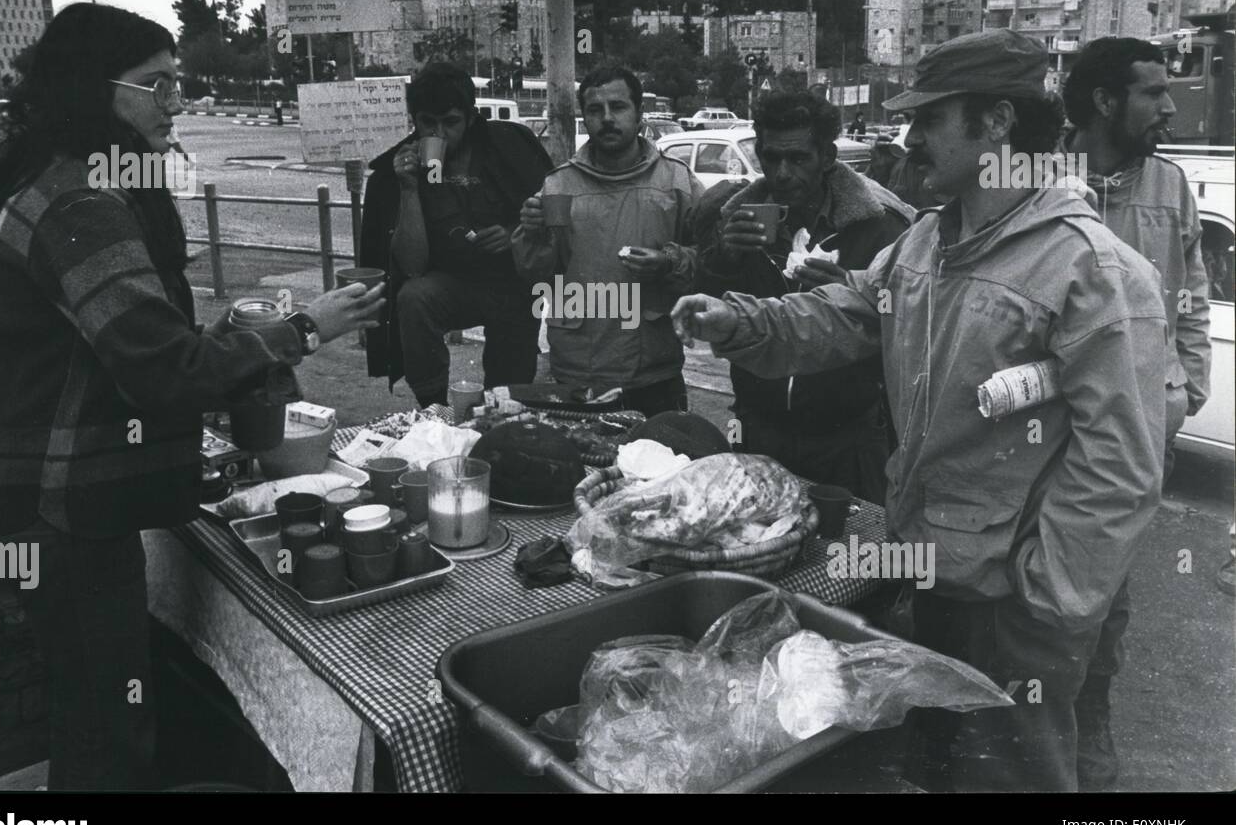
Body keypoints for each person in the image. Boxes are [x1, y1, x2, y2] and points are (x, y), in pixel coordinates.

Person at [671, 29, 1168, 792]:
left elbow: (1122, 468)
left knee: (1015, 777)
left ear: (997, 124)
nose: (907, 139)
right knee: (940, 764)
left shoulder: (1094, 271)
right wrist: (737, 322)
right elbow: (844, 314)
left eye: (929, 119)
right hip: (936, 568)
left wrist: (1046, 602)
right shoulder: (928, 242)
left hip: (1018, 607)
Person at [0, 3, 382, 790]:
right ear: (93, 91)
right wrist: (305, 329)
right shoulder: (80, 205)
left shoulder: (60, 180)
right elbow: (163, 371)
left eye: (176, 83)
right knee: (106, 720)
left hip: (32, 501)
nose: (175, 103)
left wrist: (220, 346)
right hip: (56, 509)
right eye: (156, 85)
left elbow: (122, 342)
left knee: (91, 700)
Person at [1061, 36, 1212, 791]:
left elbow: (1193, 287)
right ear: (1104, 101)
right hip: (1051, 435)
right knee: (1039, 592)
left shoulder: (1171, 185)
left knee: (1110, 593)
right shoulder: (1036, 179)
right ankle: (1034, 717)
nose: (1170, 105)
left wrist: (1185, 388)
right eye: (1154, 91)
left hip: (1142, 431)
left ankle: (1092, 713)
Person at [691, 90, 912, 502]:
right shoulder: (735, 216)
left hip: (847, 439)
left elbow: (907, 324)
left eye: (798, 159)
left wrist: (851, 288)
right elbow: (707, 316)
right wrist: (723, 257)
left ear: (827, 157)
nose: (782, 173)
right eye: (771, 158)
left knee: (845, 554)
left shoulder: (880, 226)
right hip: (759, 428)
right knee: (756, 546)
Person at [512, 65, 702, 417]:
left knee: (660, 465)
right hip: (578, 374)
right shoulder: (558, 186)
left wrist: (669, 262)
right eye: (596, 110)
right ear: (585, 117)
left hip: (654, 372)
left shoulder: (677, 180)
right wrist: (532, 234)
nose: (607, 118)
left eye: (618, 107)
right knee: (586, 465)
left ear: (639, 114)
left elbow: (711, 259)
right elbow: (534, 276)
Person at [358, 63, 551, 406]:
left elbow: (550, 219)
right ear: (414, 121)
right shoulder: (399, 171)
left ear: (471, 118)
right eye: (427, 123)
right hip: (451, 285)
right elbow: (413, 266)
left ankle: (500, 417)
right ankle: (434, 409)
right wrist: (408, 190)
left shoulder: (510, 147)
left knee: (506, 395)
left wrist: (512, 234)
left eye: (451, 122)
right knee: (414, 297)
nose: (440, 134)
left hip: (511, 284)